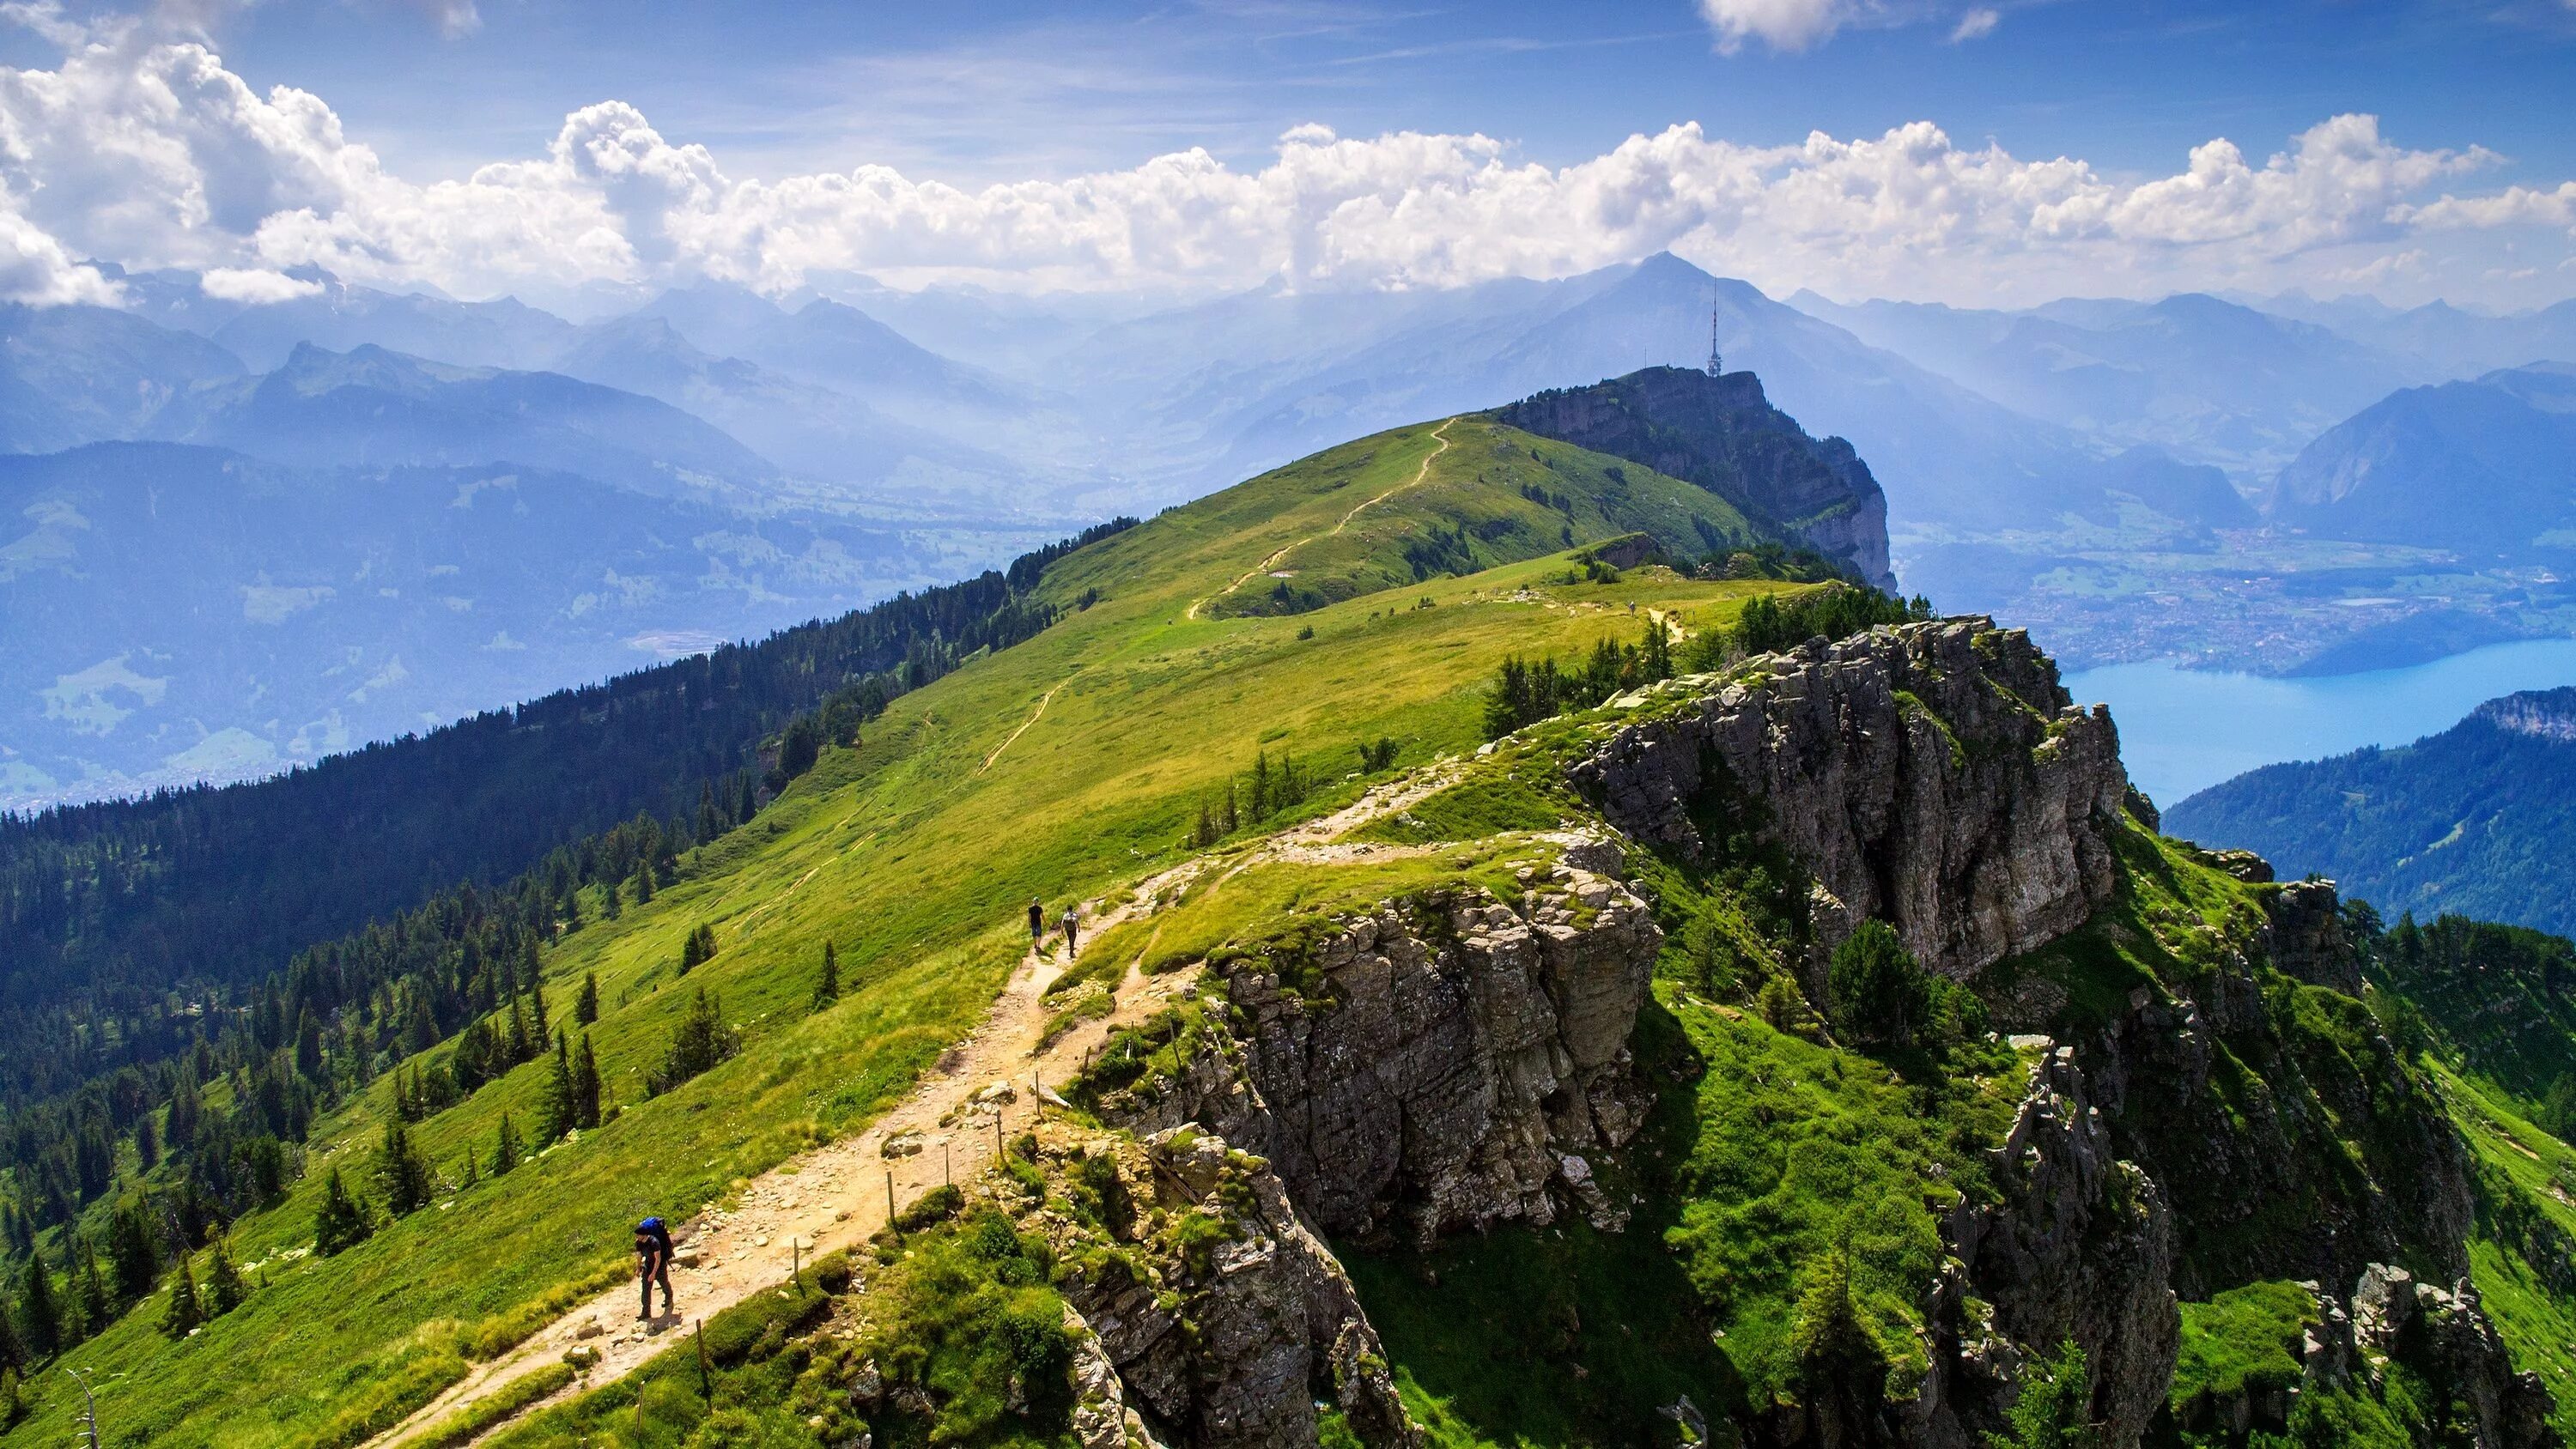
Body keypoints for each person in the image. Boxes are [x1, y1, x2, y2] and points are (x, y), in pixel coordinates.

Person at [635, 1216, 675, 1322]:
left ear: (643, 1235)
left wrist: (653, 1273)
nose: (637, 1237)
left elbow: (658, 1259)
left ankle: (669, 1296)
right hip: (648, 1265)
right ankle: (646, 1312)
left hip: (659, 1266)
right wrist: (638, 1268)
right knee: (646, 1289)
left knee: (663, 1282)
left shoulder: (654, 1242)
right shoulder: (638, 1243)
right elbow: (639, 1256)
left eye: (638, 1235)